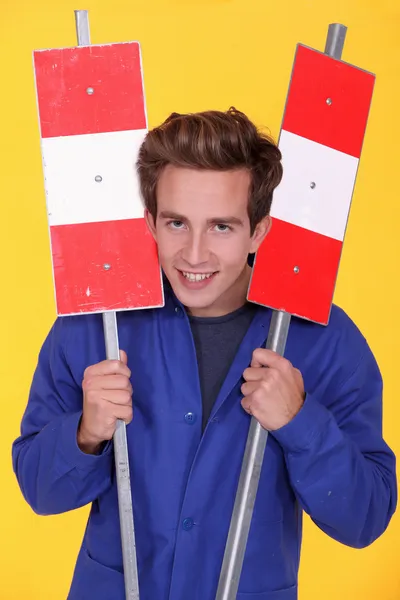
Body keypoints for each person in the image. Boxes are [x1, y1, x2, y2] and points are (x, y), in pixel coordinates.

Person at [12, 108, 396, 600]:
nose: (194, 254)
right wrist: (85, 434)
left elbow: (364, 519)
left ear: (259, 230)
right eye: (176, 223)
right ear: (150, 221)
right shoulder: (96, 322)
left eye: (221, 227)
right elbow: (40, 492)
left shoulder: (323, 337)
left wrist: (300, 423)